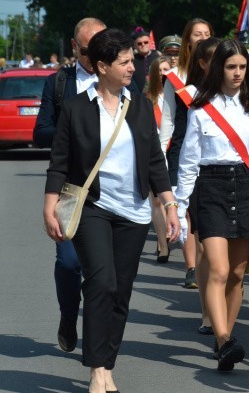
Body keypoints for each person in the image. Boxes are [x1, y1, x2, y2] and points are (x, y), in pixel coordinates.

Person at [42, 28, 181, 393]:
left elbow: (154, 160)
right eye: (124, 61)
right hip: (93, 208)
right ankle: (94, 368)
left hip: (133, 212)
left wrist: (169, 205)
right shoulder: (75, 108)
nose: (132, 66)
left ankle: (107, 364)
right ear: (102, 66)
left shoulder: (137, 106)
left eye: (132, 60)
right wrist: (49, 206)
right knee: (101, 282)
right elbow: (59, 162)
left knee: (120, 292)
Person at [176, 39, 249, 372]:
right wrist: (180, 206)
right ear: (218, 69)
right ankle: (223, 339)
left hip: (247, 188)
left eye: (242, 67)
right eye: (231, 67)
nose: (237, 73)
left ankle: (226, 340)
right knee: (218, 270)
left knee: (237, 274)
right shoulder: (200, 107)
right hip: (211, 188)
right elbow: (189, 161)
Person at [33, 17, 106, 354]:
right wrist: (72, 129)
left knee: (104, 272)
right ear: (76, 47)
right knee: (69, 261)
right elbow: (40, 132)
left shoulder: (122, 80)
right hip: (70, 187)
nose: (97, 55)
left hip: (111, 187)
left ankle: (98, 343)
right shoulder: (59, 83)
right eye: (90, 49)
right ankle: (67, 315)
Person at [169, 37, 221, 335]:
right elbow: (177, 135)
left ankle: (220, 306)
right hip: (197, 175)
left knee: (226, 258)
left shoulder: (239, 93)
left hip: (231, 180)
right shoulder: (187, 93)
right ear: (202, 63)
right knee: (204, 247)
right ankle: (206, 310)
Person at [160, 18, 212, 289]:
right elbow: (168, 119)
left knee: (205, 211)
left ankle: (208, 263)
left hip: (211, 151)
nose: (202, 38)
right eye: (197, 34)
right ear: (187, 40)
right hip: (182, 148)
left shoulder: (221, 72)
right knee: (186, 210)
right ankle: (191, 267)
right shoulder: (174, 75)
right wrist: (158, 155)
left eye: (207, 33)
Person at [146, 56, 174, 262]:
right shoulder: (147, 99)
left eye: (167, 69)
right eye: (160, 70)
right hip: (154, 155)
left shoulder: (179, 96)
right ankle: (163, 245)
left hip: (175, 154)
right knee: (156, 201)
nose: (164, 73)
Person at [131, 27, 156, 91]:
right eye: (139, 43)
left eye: (146, 42)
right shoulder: (132, 60)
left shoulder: (158, 57)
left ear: (150, 42)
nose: (143, 45)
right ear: (135, 46)